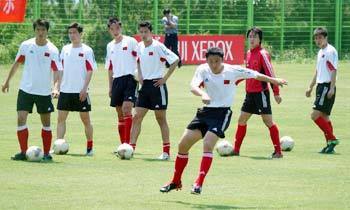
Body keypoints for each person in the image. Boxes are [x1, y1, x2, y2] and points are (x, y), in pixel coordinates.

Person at [159, 47, 287, 194]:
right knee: (182, 145)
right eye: (211, 61)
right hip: (204, 113)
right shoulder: (202, 69)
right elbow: (193, 86)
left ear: (222, 60)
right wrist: (203, 94)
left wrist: (274, 81)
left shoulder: (232, 70)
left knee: (207, 144)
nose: (214, 65)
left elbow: (255, 75)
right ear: (206, 60)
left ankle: (198, 183)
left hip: (222, 113)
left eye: (217, 61)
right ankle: (176, 181)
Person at [1, 19, 61, 161]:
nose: (40, 33)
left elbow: (57, 70)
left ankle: (46, 154)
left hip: (44, 92)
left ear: (47, 31)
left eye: (43, 30)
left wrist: (56, 88)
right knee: (21, 119)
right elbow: (17, 64)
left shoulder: (52, 50)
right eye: (38, 30)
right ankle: (23, 152)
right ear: (35, 31)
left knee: (46, 123)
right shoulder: (26, 45)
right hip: (25, 90)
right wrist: (6, 82)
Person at [130, 21, 179, 160]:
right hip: (144, 87)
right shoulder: (139, 46)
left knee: (160, 119)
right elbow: (138, 61)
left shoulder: (158, 46)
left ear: (151, 32)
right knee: (136, 117)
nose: (144, 34)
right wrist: (139, 75)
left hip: (158, 86)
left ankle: (166, 152)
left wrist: (165, 78)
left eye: (146, 32)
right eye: (141, 32)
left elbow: (175, 60)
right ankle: (131, 149)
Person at [232, 26, 284, 158]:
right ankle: (236, 150)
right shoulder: (248, 53)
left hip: (261, 93)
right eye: (250, 36)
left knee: (268, 122)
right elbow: (248, 73)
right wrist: (237, 81)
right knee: (241, 120)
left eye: (255, 36)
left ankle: (278, 152)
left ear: (260, 39)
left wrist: (276, 93)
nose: (252, 39)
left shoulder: (263, 54)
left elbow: (270, 73)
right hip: (249, 94)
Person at [54, 23, 97, 156]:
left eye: (74, 33)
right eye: (70, 33)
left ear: (80, 34)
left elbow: (90, 70)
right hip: (65, 91)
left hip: (80, 92)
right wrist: (57, 87)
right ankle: (58, 145)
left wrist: (84, 89)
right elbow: (59, 69)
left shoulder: (87, 50)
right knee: (60, 119)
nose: (72, 35)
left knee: (86, 120)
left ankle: (89, 148)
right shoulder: (65, 49)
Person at [105, 16, 138, 147]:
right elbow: (110, 67)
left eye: (117, 28)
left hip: (130, 78)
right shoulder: (110, 46)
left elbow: (139, 58)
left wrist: (139, 75)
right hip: (117, 80)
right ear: (109, 30)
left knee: (126, 109)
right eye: (112, 29)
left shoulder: (130, 41)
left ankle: (128, 144)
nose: (115, 31)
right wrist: (110, 86)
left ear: (121, 27)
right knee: (119, 113)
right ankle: (122, 145)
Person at [305, 27, 339, 154]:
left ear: (326, 38)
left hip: (326, 86)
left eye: (320, 37)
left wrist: (331, 88)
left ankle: (333, 139)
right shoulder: (321, 52)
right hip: (321, 87)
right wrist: (311, 86)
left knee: (314, 115)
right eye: (316, 38)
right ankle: (330, 145)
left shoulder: (330, 51)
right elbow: (318, 71)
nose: (318, 40)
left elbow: (333, 70)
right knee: (325, 117)